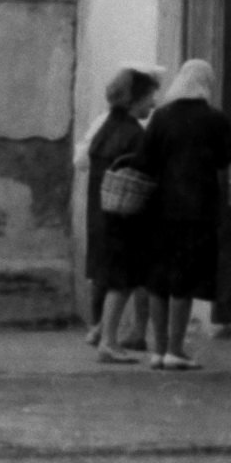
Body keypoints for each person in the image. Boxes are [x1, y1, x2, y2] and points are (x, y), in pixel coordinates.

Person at [137, 58, 231, 370]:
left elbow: (144, 160)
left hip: (160, 208)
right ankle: (176, 350)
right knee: (184, 280)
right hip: (197, 209)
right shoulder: (216, 119)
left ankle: (158, 350)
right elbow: (225, 160)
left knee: (158, 280)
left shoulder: (161, 116)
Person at [82, 67, 158, 357]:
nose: (153, 104)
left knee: (111, 277)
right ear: (133, 100)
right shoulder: (134, 133)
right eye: (149, 98)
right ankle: (109, 342)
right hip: (125, 218)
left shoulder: (106, 128)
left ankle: (101, 330)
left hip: (100, 215)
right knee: (123, 281)